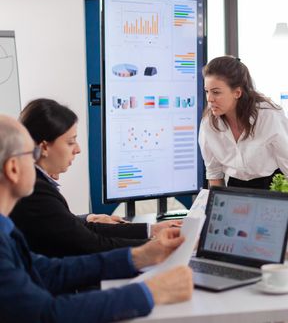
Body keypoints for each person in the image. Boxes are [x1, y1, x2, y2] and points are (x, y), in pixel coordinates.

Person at [0, 114, 193, 323]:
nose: (38, 160)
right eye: (32, 153)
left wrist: (141, 255)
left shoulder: (6, 228)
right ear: (13, 168)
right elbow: (46, 315)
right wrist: (152, 291)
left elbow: (49, 271)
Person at [10, 99, 178, 257]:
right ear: (44, 147)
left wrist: (152, 230)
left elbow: (80, 228)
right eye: (70, 142)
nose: (78, 149)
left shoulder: (39, 183)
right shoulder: (35, 191)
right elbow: (91, 244)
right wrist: (156, 245)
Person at [198, 55, 288, 190]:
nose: (209, 99)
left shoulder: (269, 117)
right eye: (207, 91)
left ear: (237, 92)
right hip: (235, 186)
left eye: (216, 92)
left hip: (273, 186)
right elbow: (214, 173)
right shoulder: (209, 124)